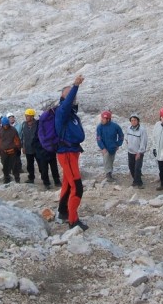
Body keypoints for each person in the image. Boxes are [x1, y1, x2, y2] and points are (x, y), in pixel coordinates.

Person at [55, 75, 88, 231]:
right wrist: (75, 86)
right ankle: (73, 220)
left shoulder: (70, 115)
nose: (73, 98)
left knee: (68, 183)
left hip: (73, 151)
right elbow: (67, 103)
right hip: (66, 152)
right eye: (69, 95)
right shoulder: (62, 111)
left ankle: (62, 211)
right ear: (63, 97)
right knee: (77, 186)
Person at [32, 117, 62, 189]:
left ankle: (55, 181)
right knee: (45, 169)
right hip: (44, 152)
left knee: (53, 168)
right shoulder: (40, 131)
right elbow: (35, 142)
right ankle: (47, 183)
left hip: (49, 151)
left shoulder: (46, 129)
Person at [95, 110, 124, 182]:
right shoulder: (99, 127)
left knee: (111, 160)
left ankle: (110, 172)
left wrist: (118, 144)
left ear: (108, 119)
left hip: (113, 147)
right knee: (106, 160)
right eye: (102, 118)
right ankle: (108, 175)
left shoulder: (115, 126)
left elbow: (121, 135)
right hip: (105, 147)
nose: (102, 120)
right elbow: (99, 139)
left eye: (104, 118)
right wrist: (102, 148)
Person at [0, 117, 22, 183]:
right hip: (3, 152)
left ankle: (17, 179)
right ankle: (6, 179)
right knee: (5, 167)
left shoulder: (13, 130)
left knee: (15, 166)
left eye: (7, 124)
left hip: (13, 151)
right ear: (2, 124)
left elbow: (17, 140)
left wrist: (18, 149)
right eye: (5, 125)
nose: (6, 126)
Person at [125, 113, 148, 188]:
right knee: (131, 167)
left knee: (137, 168)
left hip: (138, 152)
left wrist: (140, 152)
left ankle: (139, 183)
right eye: (132, 120)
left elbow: (143, 141)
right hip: (130, 151)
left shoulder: (142, 130)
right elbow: (127, 137)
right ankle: (135, 180)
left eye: (135, 120)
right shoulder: (129, 128)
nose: (133, 122)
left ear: (138, 121)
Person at [19, 109, 39, 183]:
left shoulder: (37, 124)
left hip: (37, 148)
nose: (26, 117)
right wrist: (23, 147)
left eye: (28, 116)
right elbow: (23, 136)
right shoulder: (24, 124)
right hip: (27, 148)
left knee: (41, 164)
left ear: (32, 116)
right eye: (26, 115)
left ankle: (44, 178)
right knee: (29, 165)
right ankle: (31, 178)